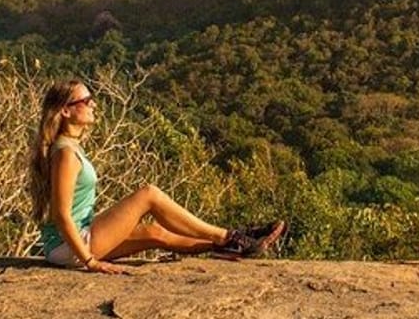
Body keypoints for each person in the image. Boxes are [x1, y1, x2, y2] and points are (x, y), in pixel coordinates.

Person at [28, 79, 284, 273]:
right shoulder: (65, 153)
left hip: (72, 242)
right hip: (68, 247)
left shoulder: (69, 147)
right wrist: (90, 261)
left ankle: (231, 244)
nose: (93, 104)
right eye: (86, 101)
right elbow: (61, 215)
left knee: (154, 232)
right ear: (65, 111)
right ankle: (228, 236)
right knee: (148, 195)